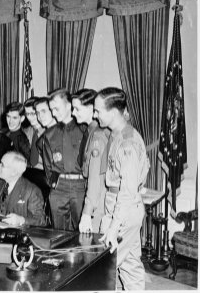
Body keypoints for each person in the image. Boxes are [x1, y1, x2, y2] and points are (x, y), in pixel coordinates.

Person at [94, 87, 150, 290]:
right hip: (123, 207)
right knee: (130, 267)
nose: (95, 114)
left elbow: (127, 192)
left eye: (98, 110)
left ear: (113, 112)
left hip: (123, 210)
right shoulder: (119, 134)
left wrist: (113, 227)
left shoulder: (128, 143)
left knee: (102, 267)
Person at [41, 88, 87, 231]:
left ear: (69, 106)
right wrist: (54, 184)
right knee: (59, 234)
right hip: (59, 188)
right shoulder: (49, 134)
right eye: (51, 110)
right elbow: (48, 165)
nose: (53, 114)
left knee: (83, 233)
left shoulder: (85, 130)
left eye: (56, 109)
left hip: (80, 186)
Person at [71, 89, 110, 233]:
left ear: (90, 108)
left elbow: (95, 178)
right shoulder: (91, 131)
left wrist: (87, 213)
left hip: (99, 201)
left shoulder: (98, 136)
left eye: (77, 109)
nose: (73, 113)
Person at [22, 96, 52, 226]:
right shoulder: (27, 132)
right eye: (28, 114)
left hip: (46, 181)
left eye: (34, 113)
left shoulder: (50, 132)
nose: (31, 118)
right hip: (31, 180)